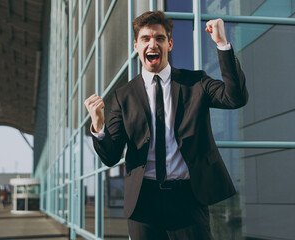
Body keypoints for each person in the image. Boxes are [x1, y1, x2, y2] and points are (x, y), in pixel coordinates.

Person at [84, 11, 248, 240]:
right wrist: (99, 125)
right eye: (146, 39)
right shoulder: (123, 96)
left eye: (160, 38)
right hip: (143, 203)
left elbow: (236, 98)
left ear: (169, 44)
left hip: (188, 199)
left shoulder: (196, 82)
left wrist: (222, 44)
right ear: (136, 46)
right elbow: (111, 157)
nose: (153, 44)